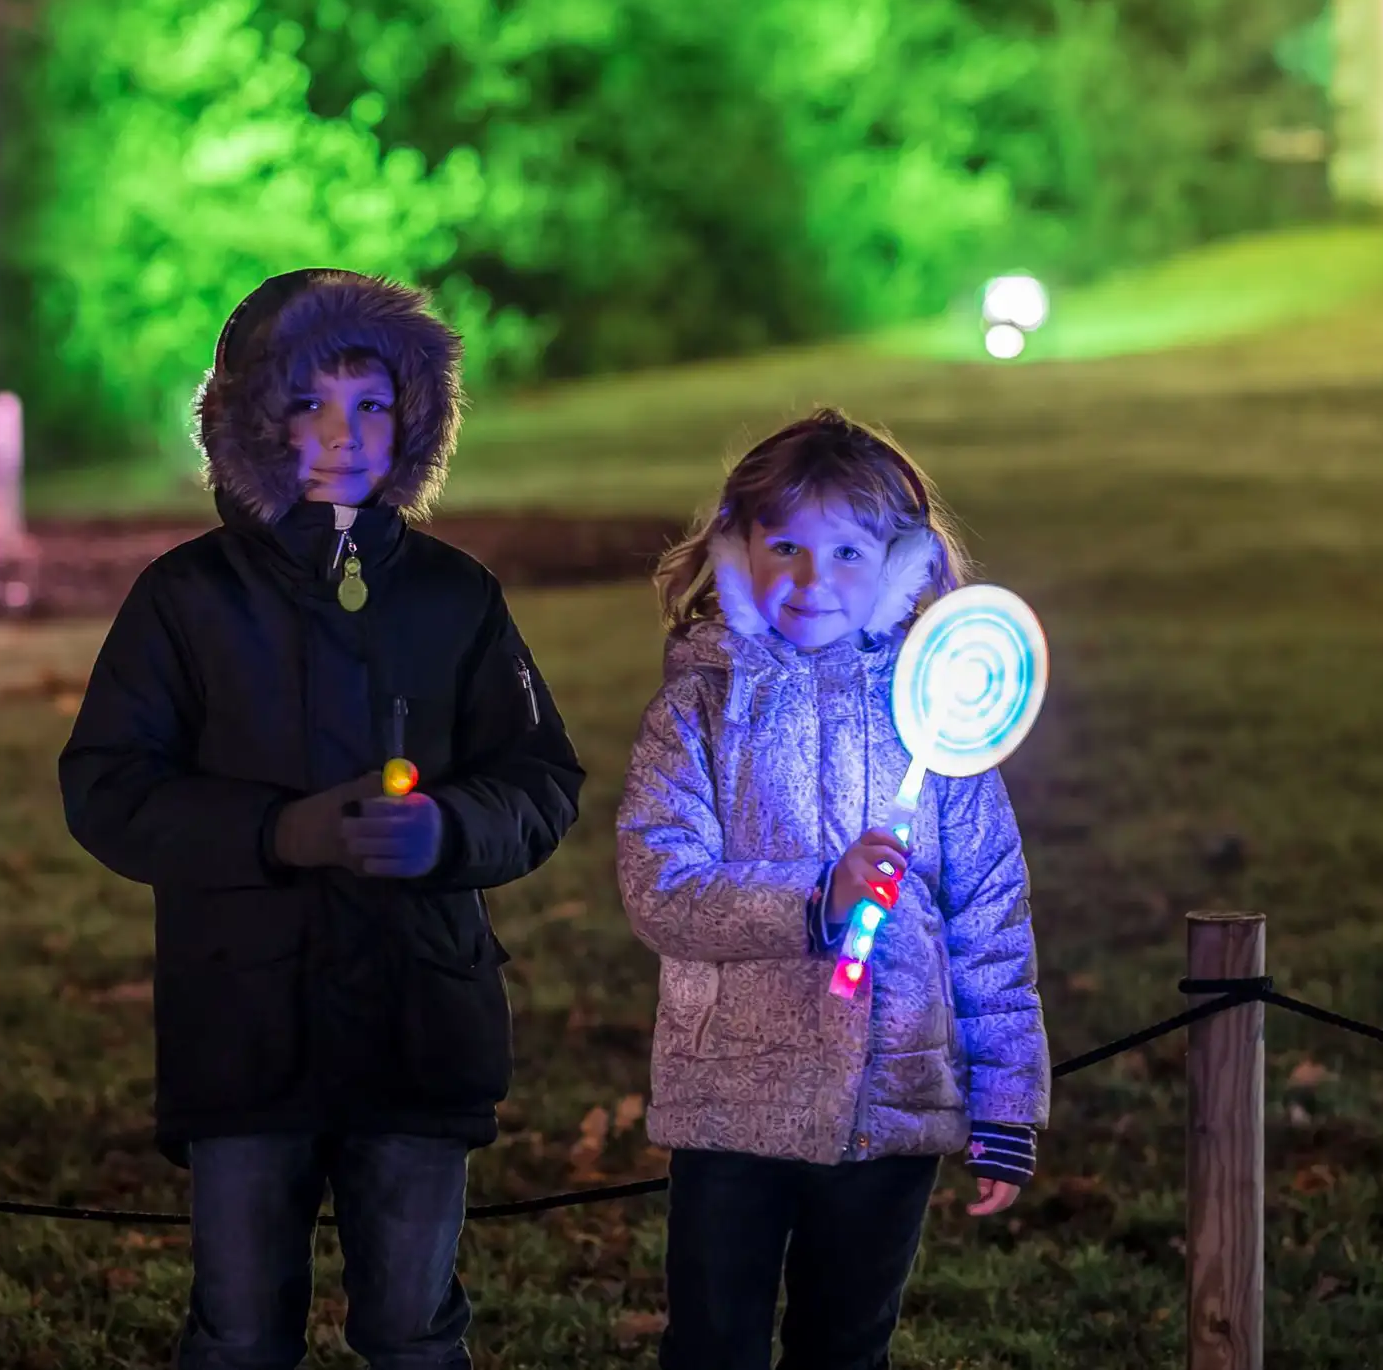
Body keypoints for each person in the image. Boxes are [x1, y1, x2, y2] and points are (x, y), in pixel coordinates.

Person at [61, 268, 585, 1370]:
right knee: (242, 1326)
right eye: (308, 404)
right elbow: (108, 785)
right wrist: (273, 833)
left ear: (417, 418)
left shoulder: (457, 596)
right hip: (246, 1031)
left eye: (373, 403)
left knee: (411, 1325)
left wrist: (447, 830)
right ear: (250, 418)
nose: (343, 433)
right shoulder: (186, 599)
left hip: (417, 1027)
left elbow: (539, 775)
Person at [616, 409, 1048, 1370]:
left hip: (889, 1103)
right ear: (738, 550)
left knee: (846, 1349)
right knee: (713, 1347)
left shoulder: (938, 722)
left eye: (849, 550)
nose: (814, 581)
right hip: (730, 1099)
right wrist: (819, 896)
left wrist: (1007, 1103)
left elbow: (991, 919)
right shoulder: (701, 708)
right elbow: (660, 886)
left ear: (901, 567)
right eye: (786, 547)